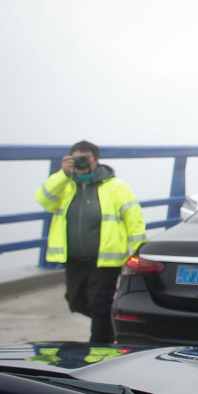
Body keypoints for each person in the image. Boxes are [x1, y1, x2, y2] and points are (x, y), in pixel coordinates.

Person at [34, 140, 146, 343]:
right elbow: (43, 199)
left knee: (99, 304)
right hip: (74, 258)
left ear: (96, 160)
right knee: (75, 302)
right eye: (76, 158)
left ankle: (99, 349)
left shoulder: (116, 187)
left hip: (104, 259)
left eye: (86, 158)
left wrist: (139, 251)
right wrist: (63, 175)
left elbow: (134, 220)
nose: (82, 163)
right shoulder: (64, 186)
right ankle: (109, 325)